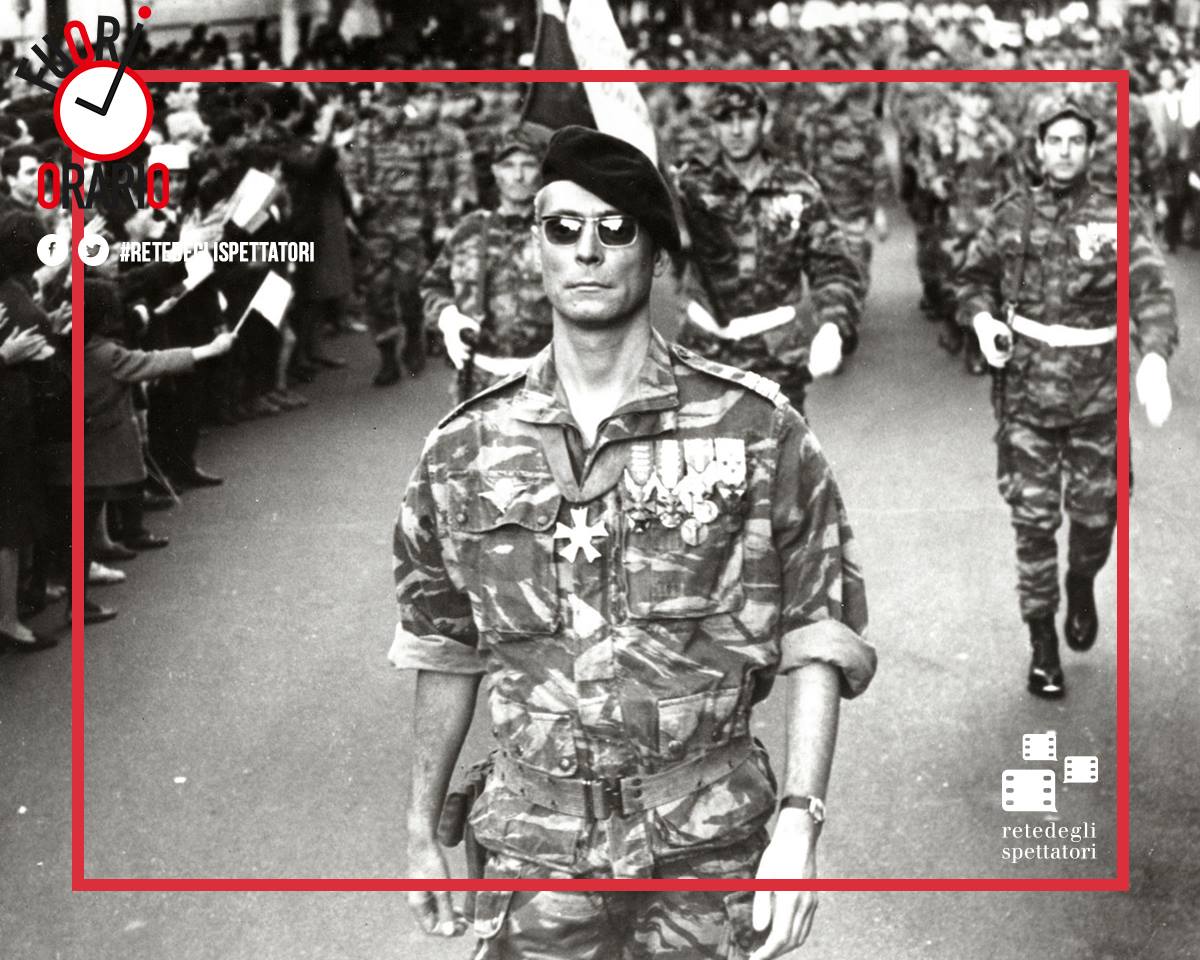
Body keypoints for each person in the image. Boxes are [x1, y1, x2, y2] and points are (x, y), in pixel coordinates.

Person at [392, 127, 875, 959]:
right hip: (534, 849)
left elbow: (818, 629)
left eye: (615, 229)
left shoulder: (755, 429)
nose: (587, 251)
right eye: (562, 227)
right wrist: (418, 827)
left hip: (706, 847)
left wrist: (802, 820)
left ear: (654, 255)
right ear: (534, 248)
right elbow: (443, 646)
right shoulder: (464, 447)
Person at [958, 100, 1178, 699]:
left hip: (1096, 399)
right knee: (1032, 525)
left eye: (1075, 141)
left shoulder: (1116, 214)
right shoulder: (1011, 215)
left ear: (1089, 149)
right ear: (1038, 147)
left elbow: (1151, 290)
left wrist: (1154, 357)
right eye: (1054, 140)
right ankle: (1042, 644)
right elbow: (972, 279)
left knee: (1096, 518)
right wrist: (982, 322)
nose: (1063, 150)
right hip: (1026, 397)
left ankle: (1081, 581)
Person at [674, 82, 863, 414]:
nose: (736, 130)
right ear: (713, 126)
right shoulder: (690, 188)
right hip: (703, 350)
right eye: (725, 119)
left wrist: (832, 324)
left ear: (765, 121)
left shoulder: (798, 190)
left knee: (781, 444)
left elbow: (832, 264)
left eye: (746, 117)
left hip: (775, 355)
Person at [420, 124, 551, 404]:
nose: (518, 175)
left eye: (528, 165)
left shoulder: (558, 233)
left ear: (541, 170)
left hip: (545, 381)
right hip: (478, 381)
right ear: (494, 171)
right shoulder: (470, 230)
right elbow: (433, 285)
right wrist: (447, 316)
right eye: (508, 165)